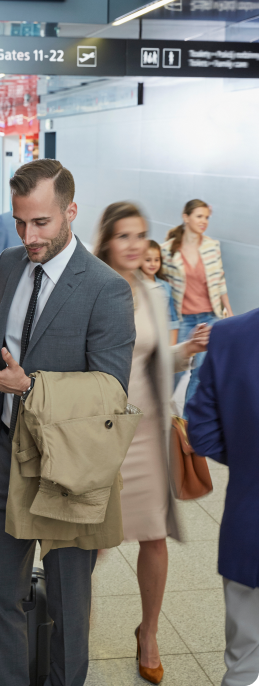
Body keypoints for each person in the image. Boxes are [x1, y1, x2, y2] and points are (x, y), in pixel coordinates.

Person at [0, 159, 136, 686]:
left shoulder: (105, 290)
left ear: (70, 212)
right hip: (7, 448)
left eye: (40, 222)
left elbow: (111, 393)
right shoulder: (9, 265)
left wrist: (29, 387)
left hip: (69, 465)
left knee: (67, 607)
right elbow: (7, 356)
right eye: (20, 222)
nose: (28, 235)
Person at [95, 202, 210, 685]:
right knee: (91, 542)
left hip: (148, 430)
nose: (135, 244)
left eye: (140, 235)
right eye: (124, 236)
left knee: (153, 537)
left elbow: (155, 361)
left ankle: (150, 634)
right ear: (106, 242)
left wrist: (185, 350)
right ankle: (68, 618)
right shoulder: (94, 291)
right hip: (103, 435)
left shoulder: (152, 291)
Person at [186, 310, 259, 686]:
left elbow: (201, 431)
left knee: (245, 662)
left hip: (250, 526)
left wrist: (250, 465)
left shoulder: (230, 334)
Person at [161, 199, 232, 414]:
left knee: (200, 373)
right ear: (186, 217)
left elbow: (219, 281)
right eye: (199, 216)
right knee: (171, 371)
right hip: (183, 320)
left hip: (210, 317)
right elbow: (163, 286)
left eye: (207, 217)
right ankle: (159, 415)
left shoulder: (212, 246)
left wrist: (227, 311)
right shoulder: (167, 250)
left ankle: (186, 425)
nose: (204, 221)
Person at [141, 240, 179, 345]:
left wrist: (172, 346)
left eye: (156, 260)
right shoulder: (135, 285)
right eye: (148, 260)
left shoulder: (165, 286)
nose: (153, 264)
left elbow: (172, 319)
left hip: (161, 340)